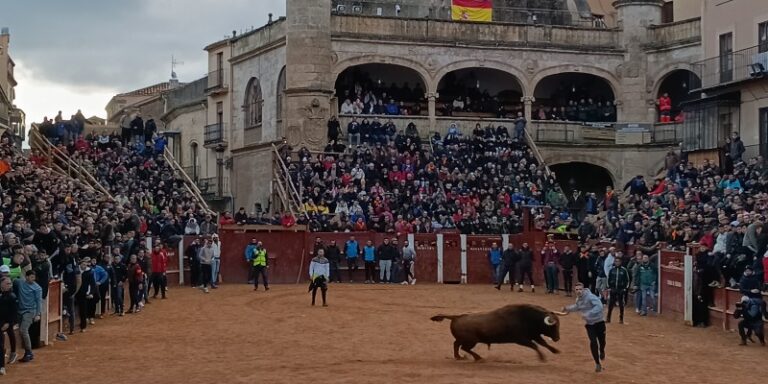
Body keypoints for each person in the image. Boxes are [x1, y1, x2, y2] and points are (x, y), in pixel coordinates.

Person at [562, 282, 606, 373]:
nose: (578, 291)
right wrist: (567, 308)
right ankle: (597, 363)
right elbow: (577, 307)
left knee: (602, 342)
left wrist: (588, 314)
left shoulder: (591, 297)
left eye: (580, 289)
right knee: (593, 342)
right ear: (575, 291)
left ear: (583, 289)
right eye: (577, 290)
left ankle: (602, 350)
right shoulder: (578, 300)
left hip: (599, 323)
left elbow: (599, 306)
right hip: (590, 325)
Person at [13, 271, 42, 363]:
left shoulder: (37, 288)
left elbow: (39, 302)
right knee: (22, 332)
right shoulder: (19, 282)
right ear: (26, 277)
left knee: (23, 330)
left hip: (30, 311)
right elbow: (13, 280)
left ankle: (29, 352)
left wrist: (38, 314)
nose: (33, 279)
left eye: (34, 277)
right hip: (20, 311)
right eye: (31, 277)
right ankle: (27, 352)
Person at [75, 257, 98, 332]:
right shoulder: (76, 270)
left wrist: (91, 293)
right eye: (83, 264)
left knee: (83, 310)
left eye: (85, 265)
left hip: (84, 293)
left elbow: (93, 284)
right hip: (75, 292)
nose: (84, 266)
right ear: (80, 264)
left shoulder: (89, 272)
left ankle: (83, 326)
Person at [0, 277, 17, 373]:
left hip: (6, 322)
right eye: (7, 284)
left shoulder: (12, 296)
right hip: (1, 321)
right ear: (1, 284)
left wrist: (9, 323)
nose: (9, 285)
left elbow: (14, 312)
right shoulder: (2, 294)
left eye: (10, 284)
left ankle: (2, 366)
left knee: (1, 343)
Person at [606, 257, 630, 323]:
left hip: (621, 289)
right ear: (614, 262)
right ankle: (608, 318)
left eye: (618, 261)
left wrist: (625, 288)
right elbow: (608, 279)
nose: (617, 263)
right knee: (610, 304)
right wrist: (609, 287)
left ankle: (621, 319)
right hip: (613, 289)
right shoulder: (611, 270)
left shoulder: (624, 270)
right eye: (616, 261)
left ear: (620, 262)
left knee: (621, 304)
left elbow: (627, 280)